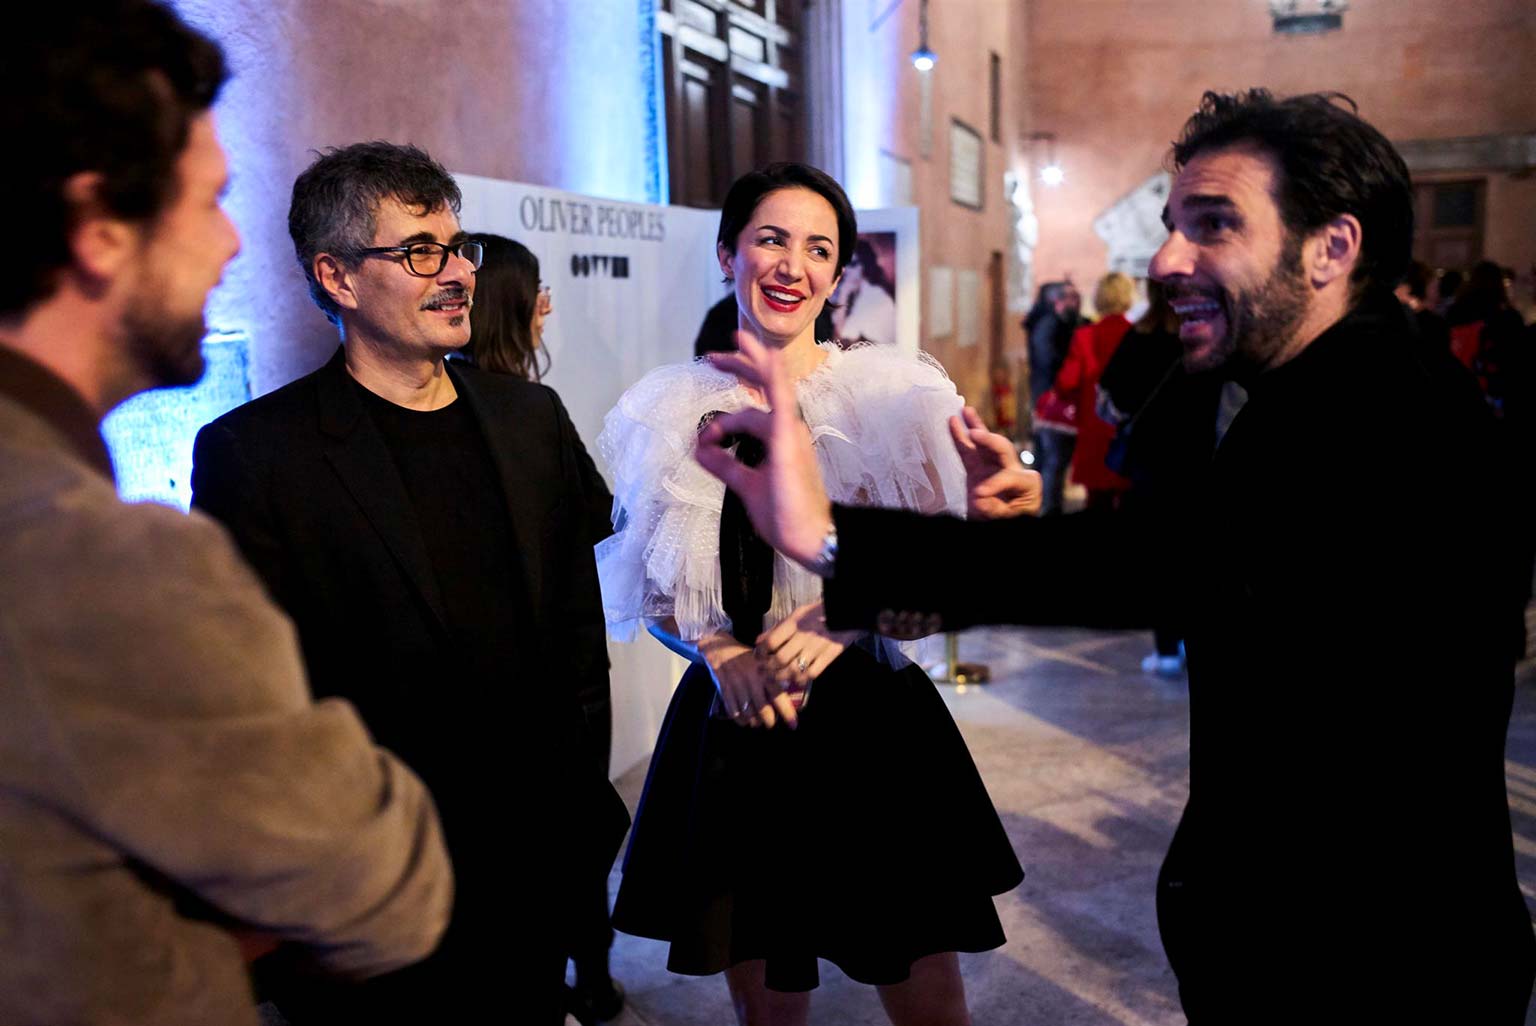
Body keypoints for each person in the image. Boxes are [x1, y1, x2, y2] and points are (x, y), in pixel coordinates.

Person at [696, 91, 1536, 1023]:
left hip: (1374, 960)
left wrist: (830, 537)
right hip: (1308, 937)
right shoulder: (1315, 383)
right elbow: (1205, 558)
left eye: (1213, 225)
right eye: (1173, 226)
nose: (1166, 260)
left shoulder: (1385, 403)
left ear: (1330, 248)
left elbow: (1157, 561)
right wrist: (1003, 528)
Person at [0, 4, 454, 1024]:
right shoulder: (103, 561)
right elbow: (385, 891)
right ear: (100, 230)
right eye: (207, 200)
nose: (231, 243)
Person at [191, 142, 628, 1026]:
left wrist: (579, 777)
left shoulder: (529, 418)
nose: (459, 273)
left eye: (458, 248)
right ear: (338, 278)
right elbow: (251, 695)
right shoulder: (256, 455)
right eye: (421, 251)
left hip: (534, 856)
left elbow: (580, 624)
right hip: (375, 884)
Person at [598, 162, 1022, 1026]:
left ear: (837, 274)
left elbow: (948, 568)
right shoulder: (668, 408)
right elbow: (654, 588)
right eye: (772, 240)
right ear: (729, 254)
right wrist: (716, 650)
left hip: (872, 722)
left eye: (819, 248)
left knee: (922, 987)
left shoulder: (892, 395)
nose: (794, 264)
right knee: (765, 993)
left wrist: (848, 615)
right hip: (735, 723)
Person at [461, 230, 625, 1024]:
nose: (548, 306)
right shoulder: (528, 409)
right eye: (537, 290)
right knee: (573, 830)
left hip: (523, 678)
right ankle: (588, 977)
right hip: (562, 676)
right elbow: (602, 518)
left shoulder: (507, 406)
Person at [1097, 281, 1223, 676]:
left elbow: (1110, 398)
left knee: (1161, 554)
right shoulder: (1206, 338)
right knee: (1199, 552)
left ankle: (1166, 648)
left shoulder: (1139, 338)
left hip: (1150, 462)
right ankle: (1194, 639)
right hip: (1198, 459)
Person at [1052, 271, 1136, 510]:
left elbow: (1066, 383)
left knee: (1097, 503)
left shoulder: (1085, 336)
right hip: (1129, 433)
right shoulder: (1138, 335)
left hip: (1094, 431)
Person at [1023, 280, 1081, 513]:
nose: (1075, 302)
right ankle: (1045, 506)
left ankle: (1043, 502)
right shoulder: (1048, 324)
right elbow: (1047, 360)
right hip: (1049, 397)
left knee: (1049, 456)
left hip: (1048, 396)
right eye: (1070, 297)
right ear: (1056, 300)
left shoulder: (1054, 322)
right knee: (1052, 457)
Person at [831, 237, 898, 346]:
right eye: (843, 264)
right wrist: (844, 294)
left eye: (852, 264)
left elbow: (840, 340)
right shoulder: (849, 293)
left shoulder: (877, 296)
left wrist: (844, 294)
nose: (846, 270)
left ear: (864, 266)